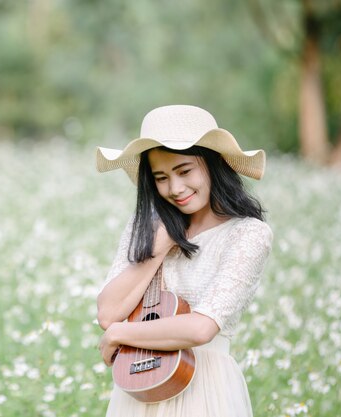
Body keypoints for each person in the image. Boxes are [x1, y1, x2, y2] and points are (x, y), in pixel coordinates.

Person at [95, 105, 272, 417]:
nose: (175, 189)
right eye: (161, 177)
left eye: (185, 171)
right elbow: (109, 312)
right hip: (141, 386)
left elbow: (202, 328)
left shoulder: (247, 234)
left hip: (206, 389)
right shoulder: (146, 226)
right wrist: (158, 248)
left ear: (214, 163)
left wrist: (119, 335)